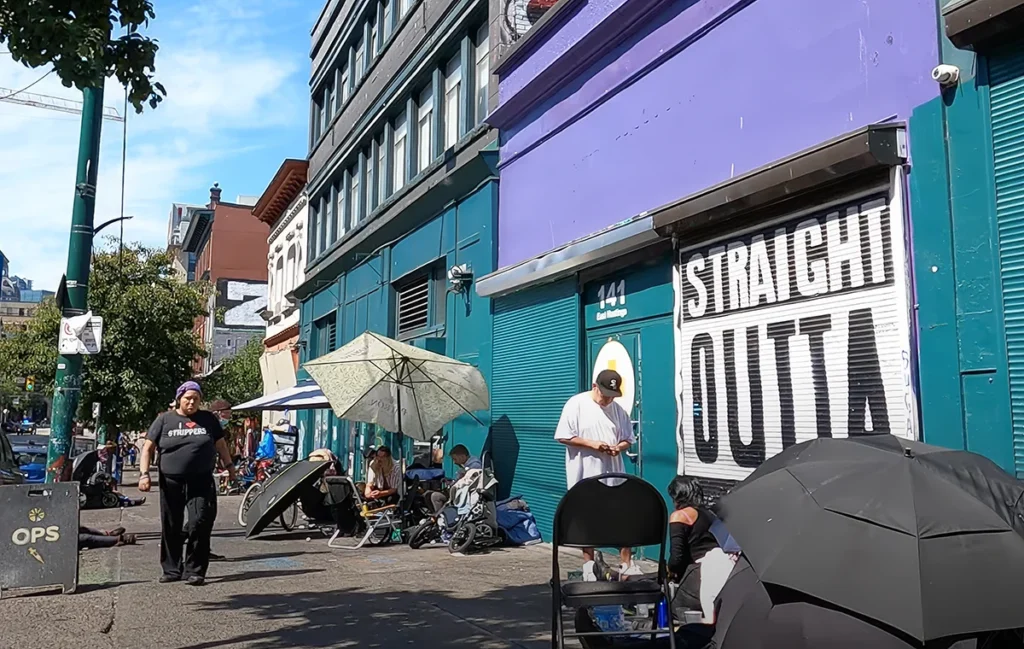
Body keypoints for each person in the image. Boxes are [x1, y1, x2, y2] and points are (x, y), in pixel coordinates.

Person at [139, 381, 235, 586]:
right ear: (179, 399)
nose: (191, 402)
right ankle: (172, 569)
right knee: (171, 524)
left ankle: (195, 570)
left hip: (201, 480)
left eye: (196, 399)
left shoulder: (208, 419)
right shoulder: (165, 420)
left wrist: (230, 467)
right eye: (187, 398)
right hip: (171, 480)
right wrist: (144, 474)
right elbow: (148, 448)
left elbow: (221, 444)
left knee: (199, 522)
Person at [554, 369, 640, 579]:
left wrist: (618, 447)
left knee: (623, 516)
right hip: (585, 473)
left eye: (612, 395)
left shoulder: (618, 410)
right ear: (595, 387)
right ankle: (589, 564)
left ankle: (626, 562)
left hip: (614, 473)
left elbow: (629, 438)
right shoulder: (576, 404)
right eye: (604, 394)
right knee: (587, 518)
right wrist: (592, 444)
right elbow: (563, 436)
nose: (608, 399)